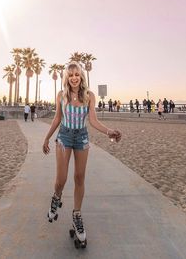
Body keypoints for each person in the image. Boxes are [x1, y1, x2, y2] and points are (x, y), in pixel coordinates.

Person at [42, 62, 122, 245]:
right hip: (64, 136)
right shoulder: (61, 95)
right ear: (67, 78)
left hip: (82, 138)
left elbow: (92, 120)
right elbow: (57, 118)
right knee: (60, 180)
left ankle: (76, 214)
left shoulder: (89, 96)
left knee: (79, 178)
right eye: (71, 75)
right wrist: (47, 138)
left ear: (81, 76)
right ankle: (56, 198)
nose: (74, 77)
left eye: (77, 74)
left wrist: (108, 131)